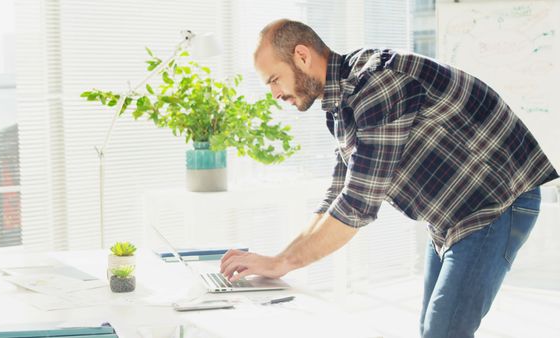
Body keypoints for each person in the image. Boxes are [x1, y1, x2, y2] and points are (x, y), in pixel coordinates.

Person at [219, 19, 558, 338]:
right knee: (433, 328)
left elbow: (358, 205)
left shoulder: (378, 83)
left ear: (302, 56)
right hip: (452, 215)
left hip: (497, 204)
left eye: (274, 80)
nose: (275, 95)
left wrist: (281, 263)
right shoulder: (340, 108)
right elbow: (338, 195)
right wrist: (278, 259)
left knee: (443, 330)